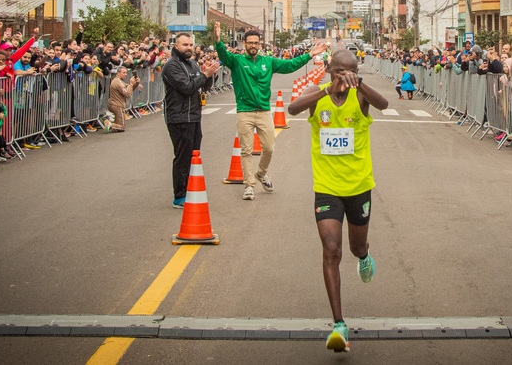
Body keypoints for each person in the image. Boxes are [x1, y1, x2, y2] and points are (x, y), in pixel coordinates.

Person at [286, 50, 389, 353]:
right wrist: (327, 90)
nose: (343, 76)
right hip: (327, 187)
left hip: (358, 186)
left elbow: (384, 104)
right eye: (338, 71)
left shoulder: (361, 96)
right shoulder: (316, 94)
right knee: (331, 249)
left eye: (349, 71)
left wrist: (360, 84)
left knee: (356, 248)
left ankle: (364, 254)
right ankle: (339, 325)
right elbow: (292, 109)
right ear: (329, 69)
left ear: (356, 71)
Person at [213, 20, 328, 201]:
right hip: (244, 111)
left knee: (269, 148)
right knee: (246, 150)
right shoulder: (236, 61)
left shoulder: (268, 61)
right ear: (244, 44)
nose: (253, 45)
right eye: (250, 43)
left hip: (264, 111)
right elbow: (223, 55)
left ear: (260, 44)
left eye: (256, 43)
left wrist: (309, 55)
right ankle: (249, 185)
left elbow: (289, 65)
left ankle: (261, 173)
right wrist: (217, 40)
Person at [162, 32, 220, 209]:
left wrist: (210, 74)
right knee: (183, 156)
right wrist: (204, 75)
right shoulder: (171, 66)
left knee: (194, 155)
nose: (188, 48)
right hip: (179, 117)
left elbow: (203, 86)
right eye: (184, 45)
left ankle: (191, 189)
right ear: (176, 46)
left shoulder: (192, 64)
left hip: (194, 115)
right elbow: (187, 88)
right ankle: (180, 195)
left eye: (190, 45)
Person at [107, 66, 140, 133]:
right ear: (118, 73)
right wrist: (131, 84)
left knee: (119, 125)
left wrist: (136, 83)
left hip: (115, 104)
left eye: (126, 73)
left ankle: (112, 126)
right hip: (117, 105)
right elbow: (127, 93)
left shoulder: (119, 81)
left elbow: (129, 88)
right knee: (122, 126)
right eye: (123, 73)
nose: (126, 74)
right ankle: (109, 124)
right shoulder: (117, 82)